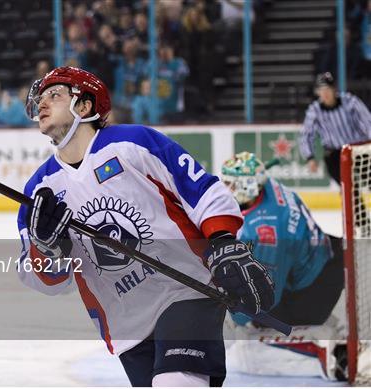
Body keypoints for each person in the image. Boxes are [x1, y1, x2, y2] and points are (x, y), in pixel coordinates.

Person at [16, 66, 274, 387]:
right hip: (125, 320)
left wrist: (223, 241)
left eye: (54, 95)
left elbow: (200, 190)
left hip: (185, 288)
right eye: (40, 98)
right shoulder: (40, 189)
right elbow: (47, 279)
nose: (42, 103)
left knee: (176, 382)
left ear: (84, 106)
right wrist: (47, 248)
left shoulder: (133, 143)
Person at [220, 152, 346, 380]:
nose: (224, 188)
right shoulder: (267, 186)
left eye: (229, 183)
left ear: (248, 186)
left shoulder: (267, 233)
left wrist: (234, 312)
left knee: (246, 342)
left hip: (313, 290)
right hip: (323, 257)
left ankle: (322, 352)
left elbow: (266, 298)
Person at [299, 72, 371, 183]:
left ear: (334, 89)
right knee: (348, 189)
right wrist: (310, 157)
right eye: (321, 90)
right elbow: (307, 135)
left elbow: (367, 122)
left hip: (358, 149)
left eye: (328, 89)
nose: (325, 93)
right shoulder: (314, 110)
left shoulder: (350, 101)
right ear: (317, 92)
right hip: (335, 155)